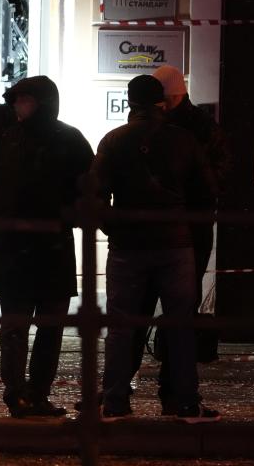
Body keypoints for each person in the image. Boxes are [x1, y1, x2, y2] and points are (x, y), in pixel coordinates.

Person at [93, 74, 220, 423]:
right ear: (161, 102)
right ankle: (185, 402)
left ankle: (115, 400)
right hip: (176, 244)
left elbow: (95, 197)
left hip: (128, 247)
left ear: (130, 102)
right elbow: (206, 191)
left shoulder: (114, 140)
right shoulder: (184, 140)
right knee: (180, 325)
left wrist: (117, 228)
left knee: (121, 326)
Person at [0, 76, 93, 418]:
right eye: (17, 101)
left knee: (45, 327)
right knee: (21, 327)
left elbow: (90, 186)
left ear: (41, 102)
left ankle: (35, 394)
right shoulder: (13, 139)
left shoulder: (59, 140)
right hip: (31, 247)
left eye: (25, 100)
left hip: (39, 247)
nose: (18, 107)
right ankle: (19, 393)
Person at [127, 66, 231, 410]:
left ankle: (132, 390)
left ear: (170, 96)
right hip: (186, 230)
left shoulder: (187, 128)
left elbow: (212, 177)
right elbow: (215, 177)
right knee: (173, 312)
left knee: (144, 311)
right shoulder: (199, 127)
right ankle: (173, 392)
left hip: (169, 230)